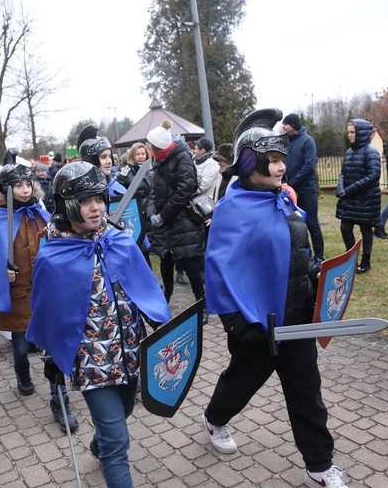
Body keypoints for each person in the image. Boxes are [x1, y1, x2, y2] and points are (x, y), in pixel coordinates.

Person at [202, 108, 347, 488]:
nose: (281, 167)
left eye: (282, 159)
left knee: (307, 395)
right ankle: (215, 417)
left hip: (296, 320)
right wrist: (236, 323)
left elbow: (298, 251)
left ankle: (319, 466)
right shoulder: (231, 211)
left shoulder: (283, 201)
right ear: (250, 162)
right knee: (240, 384)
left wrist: (318, 272)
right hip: (256, 323)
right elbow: (217, 271)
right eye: (273, 160)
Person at [26, 162, 171, 488]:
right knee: (119, 441)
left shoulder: (118, 239)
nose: (96, 208)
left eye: (99, 199)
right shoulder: (54, 256)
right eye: (86, 201)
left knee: (124, 414)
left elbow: (143, 287)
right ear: (67, 204)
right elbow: (45, 310)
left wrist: (160, 323)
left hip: (131, 351)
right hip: (91, 360)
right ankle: (110, 448)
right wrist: (50, 358)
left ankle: (100, 442)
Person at [0, 160, 72, 428]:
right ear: (7, 190)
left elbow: (56, 246)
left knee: (51, 345)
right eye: (18, 185)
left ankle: (60, 398)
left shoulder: (40, 214)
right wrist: (3, 272)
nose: (25, 190)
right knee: (21, 346)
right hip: (18, 292)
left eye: (28, 184)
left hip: (44, 290)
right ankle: (22, 374)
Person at [146, 119, 207, 321]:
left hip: (182, 222)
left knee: (190, 265)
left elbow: (185, 190)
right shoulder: (158, 161)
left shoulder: (182, 157)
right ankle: (165, 301)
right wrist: (152, 213)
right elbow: (153, 192)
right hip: (164, 224)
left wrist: (163, 215)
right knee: (165, 263)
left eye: (150, 145)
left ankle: (202, 305)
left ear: (157, 145)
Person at [336, 119, 381, 274]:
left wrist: (349, 190)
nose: (349, 135)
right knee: (345, 227)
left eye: (352, 132)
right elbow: (343, 173)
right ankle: (351, 259)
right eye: (349, 132)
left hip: (366, 199)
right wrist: (341, 188)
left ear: (361, 133)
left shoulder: (371, 152)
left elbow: (374, 175)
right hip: (350, 199)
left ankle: (366, 260)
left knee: (365, 228)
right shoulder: (349, 152)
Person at [282, 113, 325, 262]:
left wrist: (292, 183)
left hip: (306, 190)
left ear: (293, 125)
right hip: (290, 192)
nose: (283, 127)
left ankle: (319, 256)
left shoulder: (308, 141)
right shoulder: (286, 143)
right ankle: (304, 256)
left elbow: (309, 166)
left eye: (285, 124)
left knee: (311, 223)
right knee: (296, 226)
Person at [116, 142, 154, 264]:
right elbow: (120, 193)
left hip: (151, 212)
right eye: (137, 154)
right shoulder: (126, 173)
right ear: (132, 155)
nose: (140, 156)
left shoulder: (152, 170)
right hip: (136, 214)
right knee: (140, 248)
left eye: (143, 153)